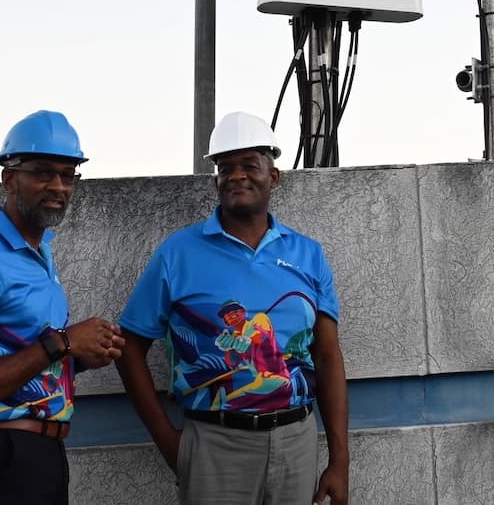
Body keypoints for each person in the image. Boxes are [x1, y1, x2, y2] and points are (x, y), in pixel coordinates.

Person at [116, 111, 349, 505]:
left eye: (249, 165)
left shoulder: (308, 255)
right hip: (213, 443)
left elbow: (327, 356)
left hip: (295, 440)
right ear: (216, 180)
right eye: (225, 168)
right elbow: (129, 347)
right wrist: (172, 443)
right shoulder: (179, 253)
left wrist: (339, 460)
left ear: (272, 176)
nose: (237, 176)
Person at [0, 110, 125, 504]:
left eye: (68, 174)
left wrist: (82, 355)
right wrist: (63, 343)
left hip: (41, 458)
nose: (58, 185)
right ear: (9, 178)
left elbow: (25, 355)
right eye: (42, 172)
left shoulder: (39, 255)